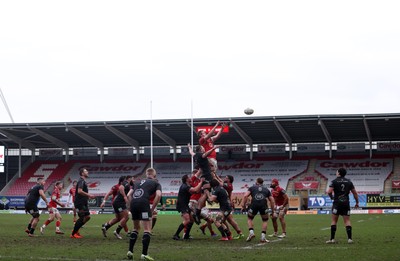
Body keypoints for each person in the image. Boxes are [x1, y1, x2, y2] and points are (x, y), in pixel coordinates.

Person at [126, 168, 162, 261]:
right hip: (144, 203)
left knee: (136, 228)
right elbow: (158, 195)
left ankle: (130, 251)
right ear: (154, 175)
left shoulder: (137, 182)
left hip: (134, 203)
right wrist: (152, 209)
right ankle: (144, 254)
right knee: (147, 229)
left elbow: (128, 195)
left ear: (146, 175)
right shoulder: (156, 183)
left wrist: (131, 206)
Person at [188, 143, 219, 224]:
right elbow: (206, 154)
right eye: (203, 148)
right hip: (207, 176)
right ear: (201, 149)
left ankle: (198, 211)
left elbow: (191, 152)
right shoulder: (201, 155)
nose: (204, 148)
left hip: (203, 175)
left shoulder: (195, 155)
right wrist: (213, 148)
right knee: (205, 194)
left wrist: (189, 147)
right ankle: (198, 212)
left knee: (205, 193)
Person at [326, 168, 359, 244]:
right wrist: (357, 203)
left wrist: (332, 197)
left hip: (337, 203)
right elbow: (355, 193)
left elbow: (329, 191)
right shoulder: (349, 182)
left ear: (339, 173)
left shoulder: (334, 181)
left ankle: (332, 239)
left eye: (336, 171)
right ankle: (350, 239)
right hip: (346, 203)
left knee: (334, 221)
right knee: (347, 221)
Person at [241, 177, 275, 243]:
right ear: (262, 183)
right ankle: (263, 237)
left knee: (250, 218)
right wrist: (273, 211)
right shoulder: (266, 189)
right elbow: (272, 201)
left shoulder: (252, 187)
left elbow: (245, 196)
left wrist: (243, 205)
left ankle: (251, 232)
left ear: (256, 182)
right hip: (263, 205)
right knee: (265, 220)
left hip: (254, 204)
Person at [172, 174, 202, 240]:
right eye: (189, 177)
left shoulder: (186, 186)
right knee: (187, 220)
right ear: (186, 179)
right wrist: (201, 182)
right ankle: (176, 235)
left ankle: (186, 235)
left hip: (184, 204)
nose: (190, 178)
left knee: (191, 220)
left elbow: (196, 191)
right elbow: (194, 190)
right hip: (182, 205)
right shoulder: (185, 186)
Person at [70, 168, 95, 239]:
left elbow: (81, 192)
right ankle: (73, 233)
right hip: (79, 203)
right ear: (82, 173)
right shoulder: (81, 181)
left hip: (83, 202)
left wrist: (87, 197)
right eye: (86, 171)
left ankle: (76, 230)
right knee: (82, 217)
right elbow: (79, 191)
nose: (87, 172)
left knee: (87, 217)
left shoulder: (83, 181)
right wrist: (89, 195)